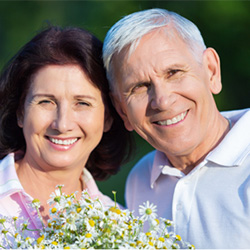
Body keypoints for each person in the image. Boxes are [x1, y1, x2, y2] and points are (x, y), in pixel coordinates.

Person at [102, 8, 250, 249]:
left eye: (174, 73)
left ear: (211, 71)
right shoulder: (140, 181)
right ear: (121, 111)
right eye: (139, 87)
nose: (162, 100)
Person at [0, 25, 133, 242]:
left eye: (82, 103)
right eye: (46, 101)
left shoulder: (120, 227)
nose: (62, 124)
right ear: (20, 113)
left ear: (108, 117)